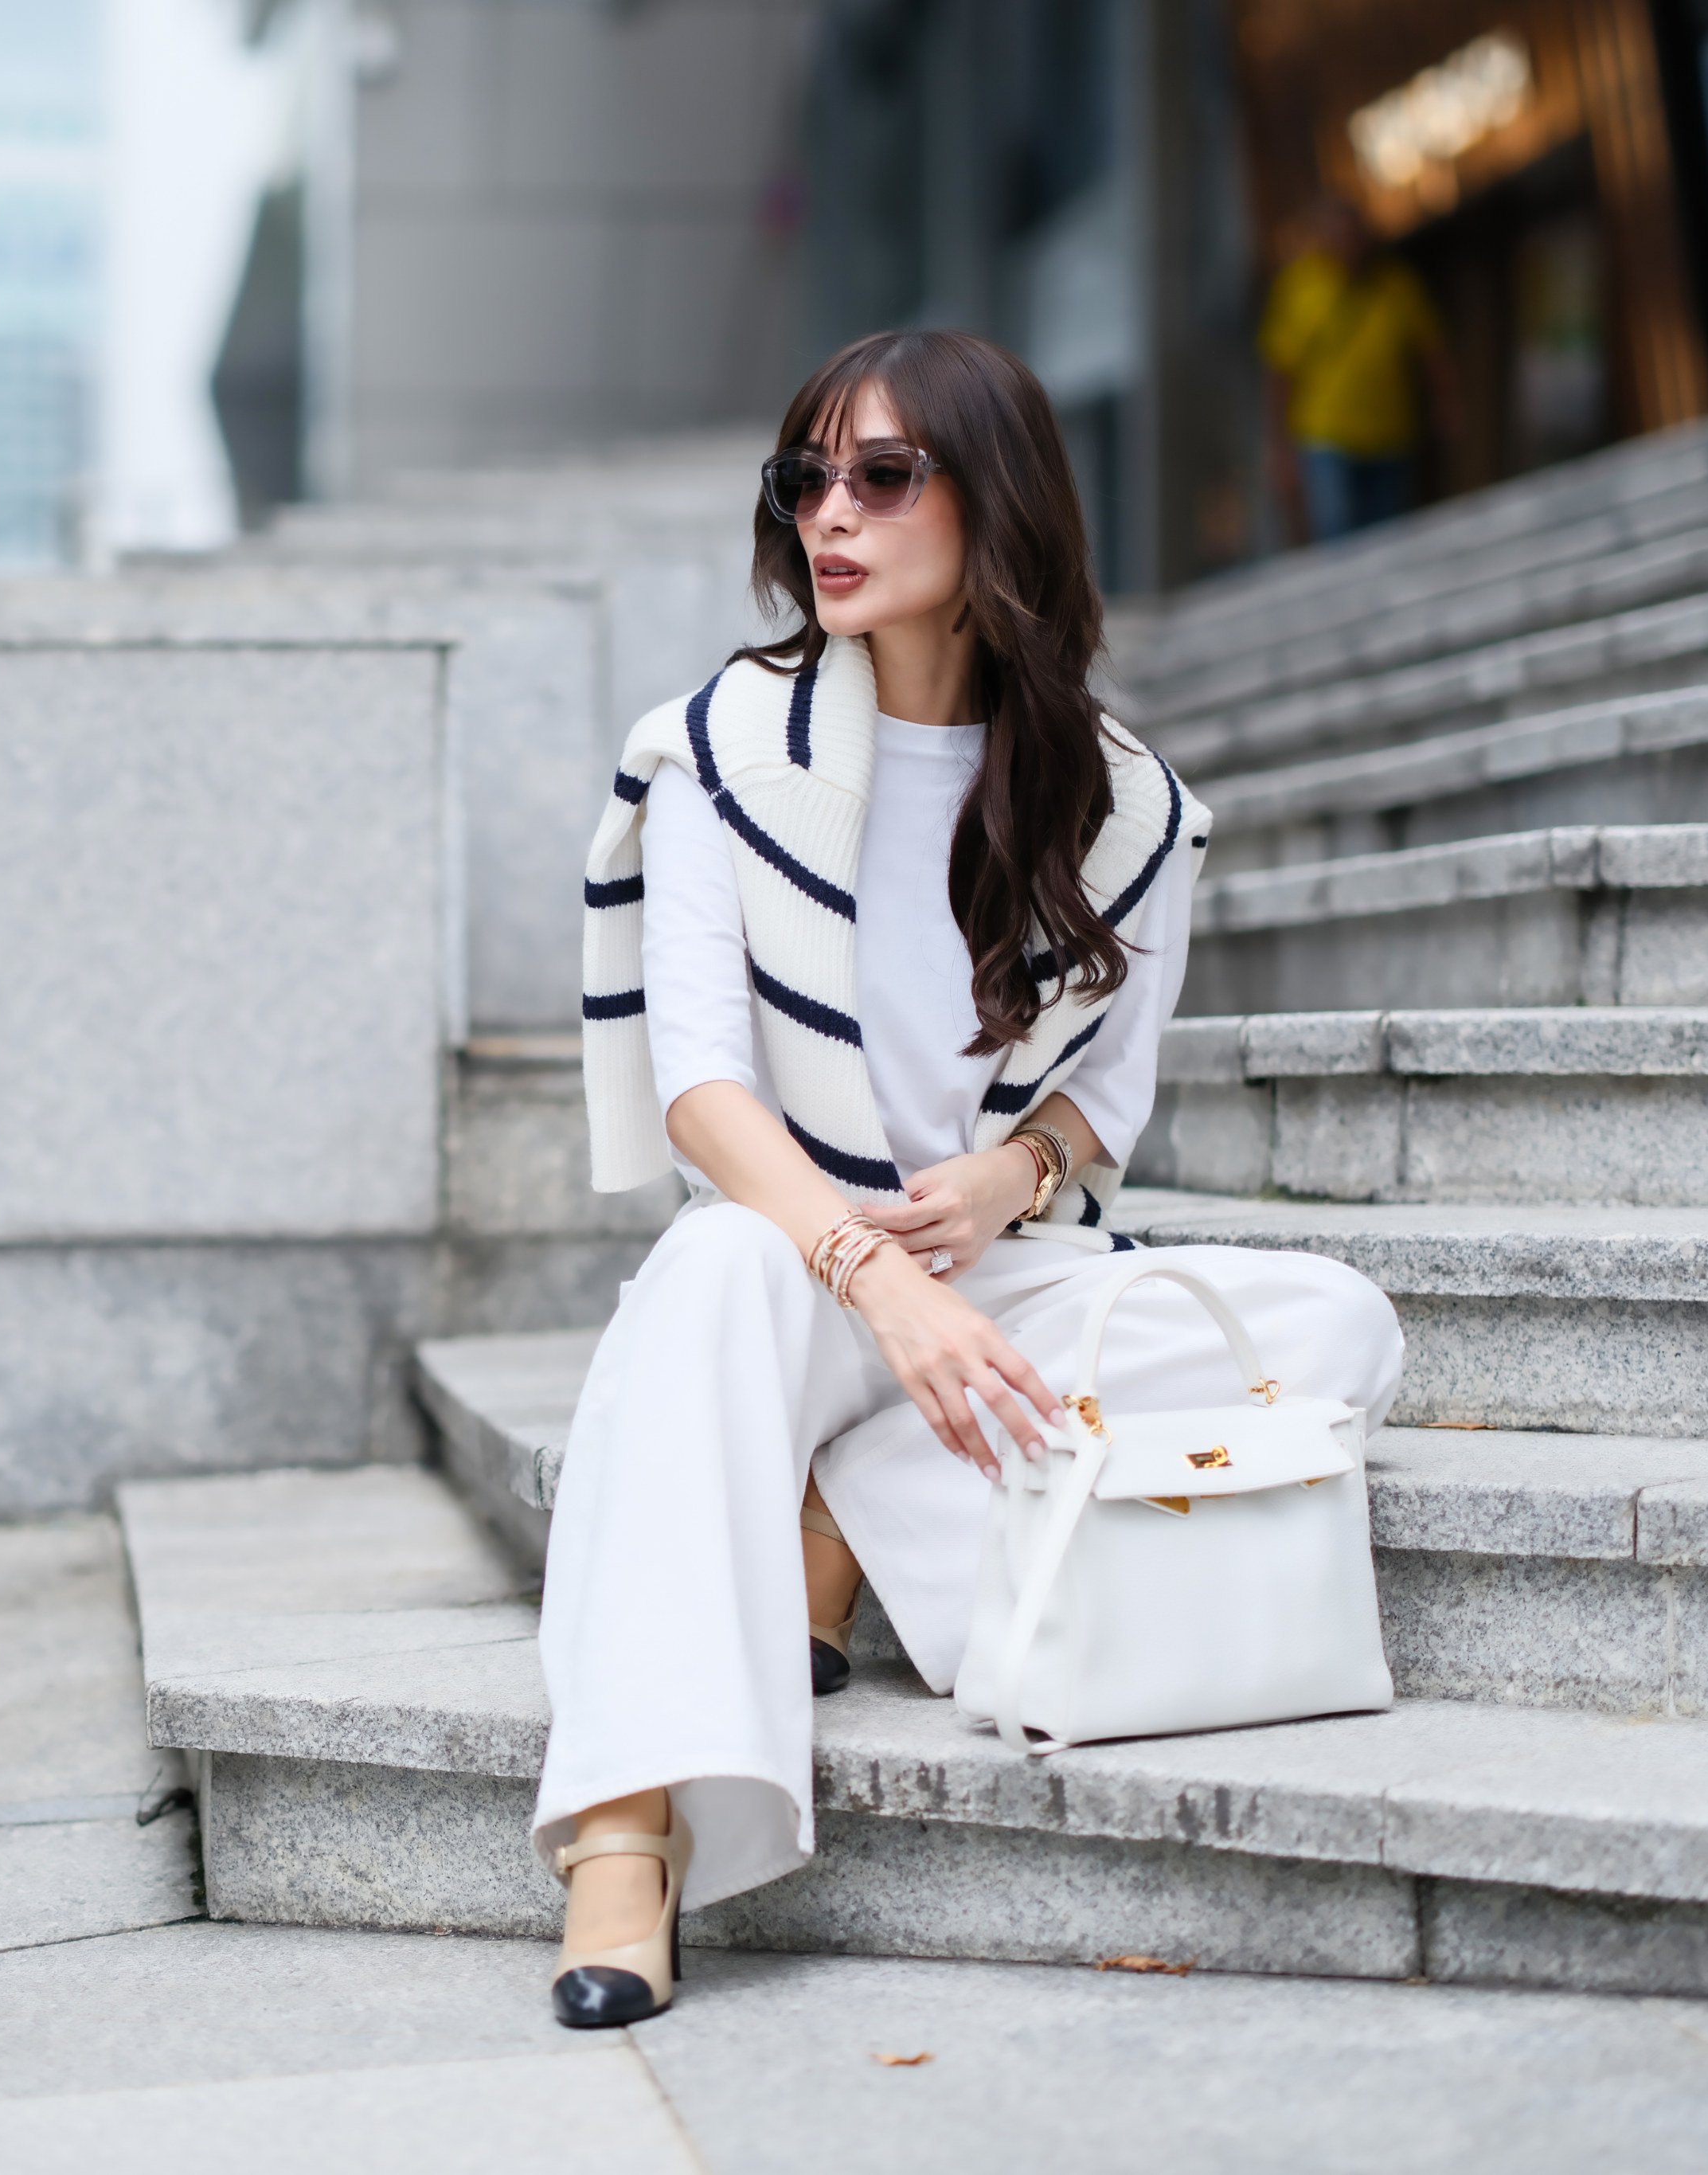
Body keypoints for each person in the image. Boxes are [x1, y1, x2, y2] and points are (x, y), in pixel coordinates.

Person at [535, 327, 1406, 2028]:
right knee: (703, 1278)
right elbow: (701, 1091)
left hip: (987, 1269)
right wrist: (875, 1283)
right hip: (795, 1260)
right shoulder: (722, 743)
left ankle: (841, 1514)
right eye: (804, 479)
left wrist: (1012, 1178)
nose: (827, 517)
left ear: (989, 500)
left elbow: (1104, 1108)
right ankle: (623, 1834)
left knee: (1334, 1327)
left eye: (880, 475)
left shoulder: (1134, 812)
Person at [1258, 198, 1456, 543]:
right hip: (1326, 436)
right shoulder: (1300, 286)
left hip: (1391, 433)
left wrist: (1447, 403)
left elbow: (1431, 351)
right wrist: (1279, 447)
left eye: (1353, 235)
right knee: (1338, 534)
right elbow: (1280, 372)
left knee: (1390, 535)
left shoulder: (1396, 284)